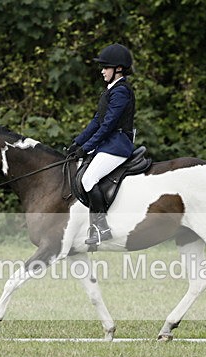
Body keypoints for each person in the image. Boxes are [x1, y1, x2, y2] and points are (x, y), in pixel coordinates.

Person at [69, 43, 136, 245]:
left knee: (88, 179)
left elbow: (107, 126)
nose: (102, 71)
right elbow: (96, 121)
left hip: (117, 145)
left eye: (106, 67)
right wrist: (76, 143)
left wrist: (87, 147)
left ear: (118, 69)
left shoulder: (121, 91)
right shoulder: (110, 91)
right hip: (108, 144)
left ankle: (101, 229)